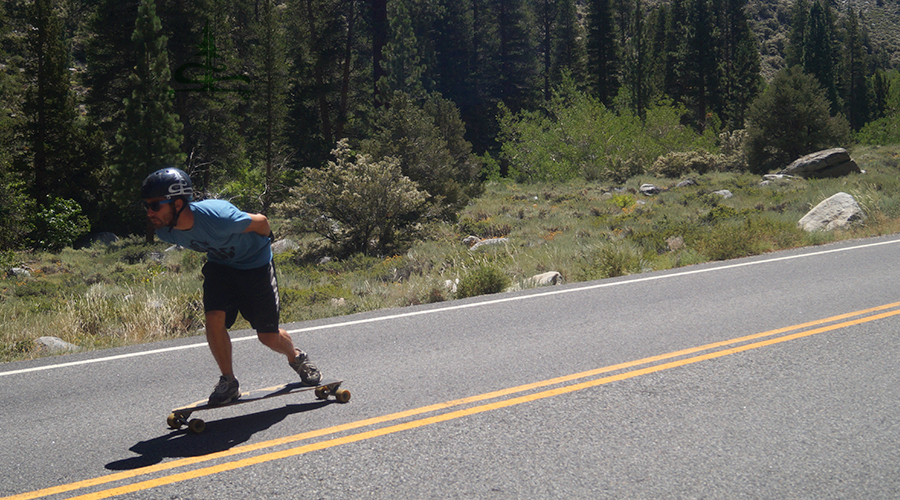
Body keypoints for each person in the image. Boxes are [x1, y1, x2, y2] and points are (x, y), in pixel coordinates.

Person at [140, 167, 321, 405]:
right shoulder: (166, 232)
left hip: (255, 267)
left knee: (268, 336)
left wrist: (263, 246)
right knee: (214, 318)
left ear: (178, 203)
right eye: (146, 206)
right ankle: (228, 381)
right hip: (221, 267)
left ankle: (296, 357)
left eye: (155, 205)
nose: (149, 213)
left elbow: (263, 223)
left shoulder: (220, 218)